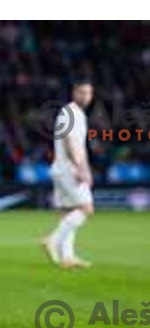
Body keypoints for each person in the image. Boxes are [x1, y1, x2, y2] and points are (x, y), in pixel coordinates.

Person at [42, 79, 94, 268]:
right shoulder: (70, 112)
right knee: (86, 209)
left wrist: (86, 167)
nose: (86, 97)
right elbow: (69, 142)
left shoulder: (78, 114)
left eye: (89, 93)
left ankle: (67, 257)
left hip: (62, 168)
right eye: (82, 92)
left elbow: (81, 146)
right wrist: (80, 168)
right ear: (74, 93)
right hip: (68, 169)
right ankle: (52, 240)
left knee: (69, 212)